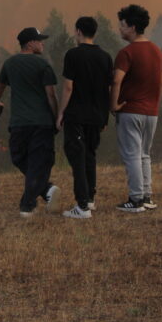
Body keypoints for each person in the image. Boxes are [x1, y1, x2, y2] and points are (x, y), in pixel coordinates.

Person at [0, 27, 61, 218]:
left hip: (19, 123)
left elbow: (0, 86)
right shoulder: (43, 65)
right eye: (39, 40)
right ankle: (45, 191)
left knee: (19, 158)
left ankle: (28, 203)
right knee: (38, 163)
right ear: (30, 43)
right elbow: (51, 94)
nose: (42, 43)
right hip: (41, 122)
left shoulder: (9, 63)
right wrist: (56, 117)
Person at [56, 17, 113, 219]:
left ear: (78, 31)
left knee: (77, 158)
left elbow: (68, 86)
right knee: (90, 155)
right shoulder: (106, 57)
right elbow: (108, 89)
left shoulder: (73, 54)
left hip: (76, 116)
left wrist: (61, 112)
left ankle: (81, 207)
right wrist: (104, 117)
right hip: (96, 116)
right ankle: (89, 199)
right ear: (94, 33)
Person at [110, 4, 162, 213]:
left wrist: (113, 104)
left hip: (130, 110)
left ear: (132, 27)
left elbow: (116, 80)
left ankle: (135, 200)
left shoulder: (126, 53)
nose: (120, 29)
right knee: (144, 154)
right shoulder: (158, 52)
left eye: (122, 25)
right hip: (151, 112)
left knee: (132, 155)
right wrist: (154, 105)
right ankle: (147, 196)